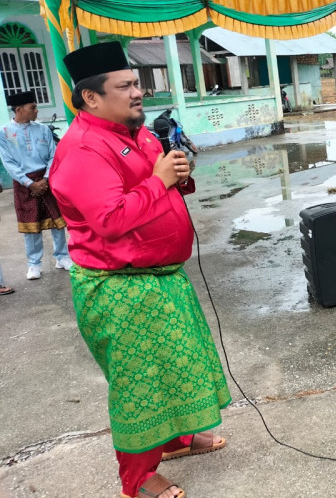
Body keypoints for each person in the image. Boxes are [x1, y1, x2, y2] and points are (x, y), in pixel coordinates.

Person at [50, 42, 230, 498]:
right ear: (91, 97)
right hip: (118, 288)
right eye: (126, 85)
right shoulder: (83, 151)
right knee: (140, 385)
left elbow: (157, 189)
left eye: (137, 83)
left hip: (159, 279)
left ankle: (173, 441)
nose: (138, 92)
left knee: (174, 367)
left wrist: (178, 176)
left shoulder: (140, 135)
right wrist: (159, 181)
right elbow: (110, 221)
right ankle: (138, 479)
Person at [0, 90, 72, 280]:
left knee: (57, 221)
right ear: (19, 110)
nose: (36, 111)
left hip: (46, 180)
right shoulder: (4, 133)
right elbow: (8, 163)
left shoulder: (43, 130)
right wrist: (29, 183)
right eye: (32, 108)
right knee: (30, 225)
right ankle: (34, 264)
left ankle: (62, 257)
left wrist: (46, 179)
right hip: (24, 184)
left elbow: (53, 156)